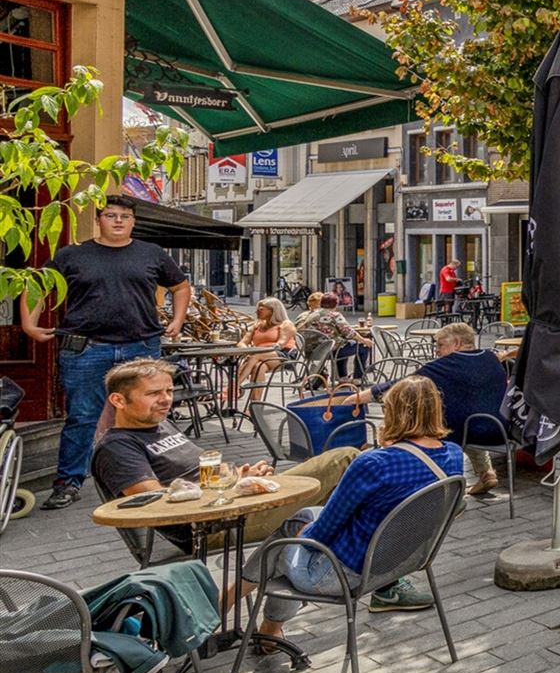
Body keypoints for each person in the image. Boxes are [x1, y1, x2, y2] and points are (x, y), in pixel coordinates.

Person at [20, 194, 193, 511]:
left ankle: (152, 476)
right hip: (87, 347)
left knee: (148, 414)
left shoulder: (151, 253)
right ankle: (69, 483)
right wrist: (29, 324)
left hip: (141, 346)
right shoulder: (72, 255)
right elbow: (38, 286)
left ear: (133, 221)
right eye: (111, 215)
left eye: (124, 216)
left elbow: (180, 286)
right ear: (98, 219)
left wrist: (178, 319)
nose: (118, 221)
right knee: (82, 418)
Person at [257, 376, 463, 638]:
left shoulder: (374, 463)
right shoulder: (454, 455)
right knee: (303, 518)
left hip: (343, 574)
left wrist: (301, 537)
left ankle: (259, 619)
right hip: (399, 564)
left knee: (285, 538)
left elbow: (323, 531)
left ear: (393, 412)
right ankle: (263, 623)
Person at [92, 359, 354, 552]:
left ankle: (335, 555)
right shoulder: (118, 447)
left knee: (350, 471)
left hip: (236, 502)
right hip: (215, 527)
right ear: (118, 400)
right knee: (345, 462)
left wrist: (242, 475)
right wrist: (230, 487)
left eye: (169, 391)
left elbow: (203, 474)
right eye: (153, 393)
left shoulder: (159, 424)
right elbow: (155, 504)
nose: (166, 400)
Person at [369, 321, 507, 496]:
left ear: (456, 343)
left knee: (432, 424)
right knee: (468, 415)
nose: (437, 351)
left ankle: (439, 484)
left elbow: (401, 385)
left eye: (441, 345)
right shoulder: (490, 357)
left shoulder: (446, 365)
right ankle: (486, 472)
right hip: (501, 428)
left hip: (466, 433)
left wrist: (359, 397)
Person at [297, 292, 373, 377]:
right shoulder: (334, 315)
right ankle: (358, 378)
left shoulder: (311, 315)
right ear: (336, 305)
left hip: (311, 352)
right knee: (362, 347)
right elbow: (349, 332)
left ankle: (343, 377)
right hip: (329, 351)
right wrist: (365, 340)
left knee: (343, 343)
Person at [235, 297, 299, 398]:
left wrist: (257, 352)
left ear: (273, 311)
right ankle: (255, 406)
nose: (257, 311)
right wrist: (248, 351)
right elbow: (242, 342)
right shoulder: (257, 325)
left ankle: (235, 386)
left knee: (256, 357)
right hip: (260, 357)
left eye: (261, 309)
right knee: (258, 367)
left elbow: (281, 343)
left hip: (284, 355)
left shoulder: (285, 324)